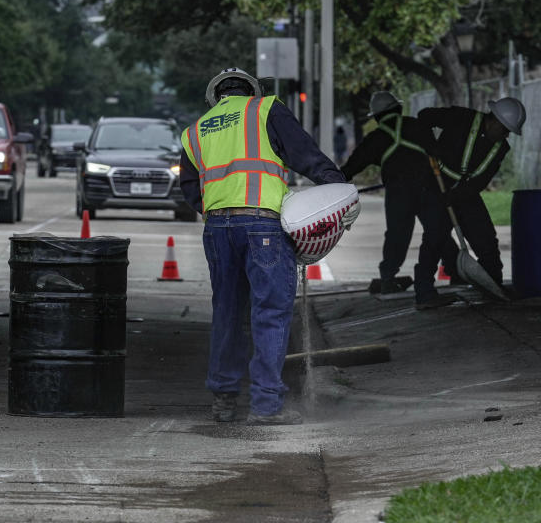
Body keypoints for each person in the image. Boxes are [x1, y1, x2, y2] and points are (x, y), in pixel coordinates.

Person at [179, 68, 358, 425]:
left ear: (217, 97)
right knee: (270, 312)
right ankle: (266, 404)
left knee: (227, 312)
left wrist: (219, 212)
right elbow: (304, 155)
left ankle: (224, 400)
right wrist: (336, 188)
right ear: (252, 91)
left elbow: (190, 190)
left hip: (217, 228)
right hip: (263, 223)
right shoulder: (266, 109)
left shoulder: (195, 131)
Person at [340, 92, 458, 308]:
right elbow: (436, 152)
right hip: (427, 186)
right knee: (437, 231)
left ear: (376, 116)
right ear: (398, 109)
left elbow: (352, 166)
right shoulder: (417, 126)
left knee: (397, 233)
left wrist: (334, 182)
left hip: (398, 191)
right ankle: (457, 271)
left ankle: (388, 279)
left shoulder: (375, 139)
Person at [418, 97, 526, 289]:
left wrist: (456, 196)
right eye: (505, 130)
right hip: (437, 185)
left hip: (465, 193)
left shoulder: (500, 148)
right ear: (494, 121)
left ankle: (492, 285)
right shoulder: (460, 117)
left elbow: (480, 181)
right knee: (435, 238)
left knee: (485, 239)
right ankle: (424, 291)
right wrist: (429, 144)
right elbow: (424, 116)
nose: (506, 135)